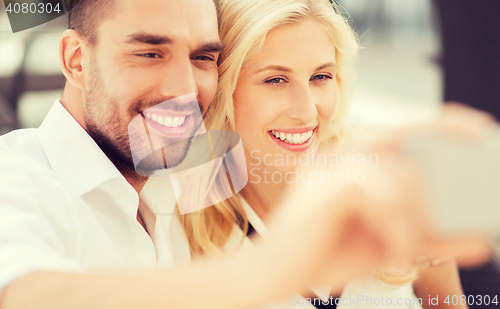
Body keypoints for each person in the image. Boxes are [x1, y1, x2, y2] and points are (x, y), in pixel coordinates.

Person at [0, 0, 491, 308]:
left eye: (202, 58)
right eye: (148, 52)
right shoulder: (17, 179)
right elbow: (23, 296)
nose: (182, 88)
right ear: (75, 59)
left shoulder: (178, 176)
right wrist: (274, 269)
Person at [180, 0, 486, 308]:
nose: (307, 111)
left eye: (320, 77)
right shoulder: (177, 223)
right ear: (224, 90)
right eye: (276, 80)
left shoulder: (397, 186)